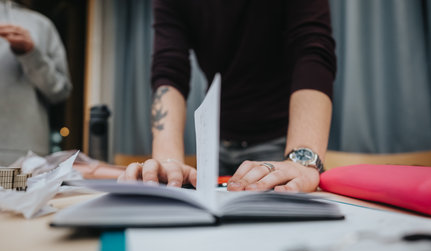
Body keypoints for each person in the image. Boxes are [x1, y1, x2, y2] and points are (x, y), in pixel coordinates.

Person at [120, 0, 336, 193]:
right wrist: (167, 162)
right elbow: (169, 69)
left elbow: (312, 50)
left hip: (283, 144)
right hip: (217, 144)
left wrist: (301, 159)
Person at [0, 0, 72, 166]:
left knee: (28, 192)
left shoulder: (41, 25)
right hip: (26, 151)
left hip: (26, 153)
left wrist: (31, 54)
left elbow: (60, 91)